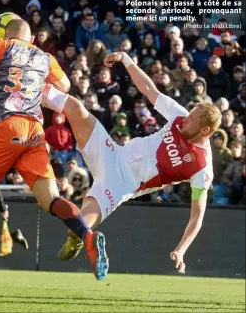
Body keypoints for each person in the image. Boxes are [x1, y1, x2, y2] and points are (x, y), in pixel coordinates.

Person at [0, 19, 108, 296]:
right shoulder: (45, 56)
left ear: (4, 33)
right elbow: (64, 85)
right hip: (35, 133)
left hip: (7, 125)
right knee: (50, 199)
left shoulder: (0, 45)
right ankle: (87, 236)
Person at [41, 50, 222, 275]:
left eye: (192, 119)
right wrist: (126, 59)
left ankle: (77, 239)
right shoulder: (179, 116)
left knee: (81, 223)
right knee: (74, 107)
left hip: (122, 183)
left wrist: (182, 249)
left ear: (204, 130)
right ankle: (25, 90)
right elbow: (148, 89)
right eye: (189, 114)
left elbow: (197, 216)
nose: (186, 119)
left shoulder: (202, 167)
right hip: (113, 153)